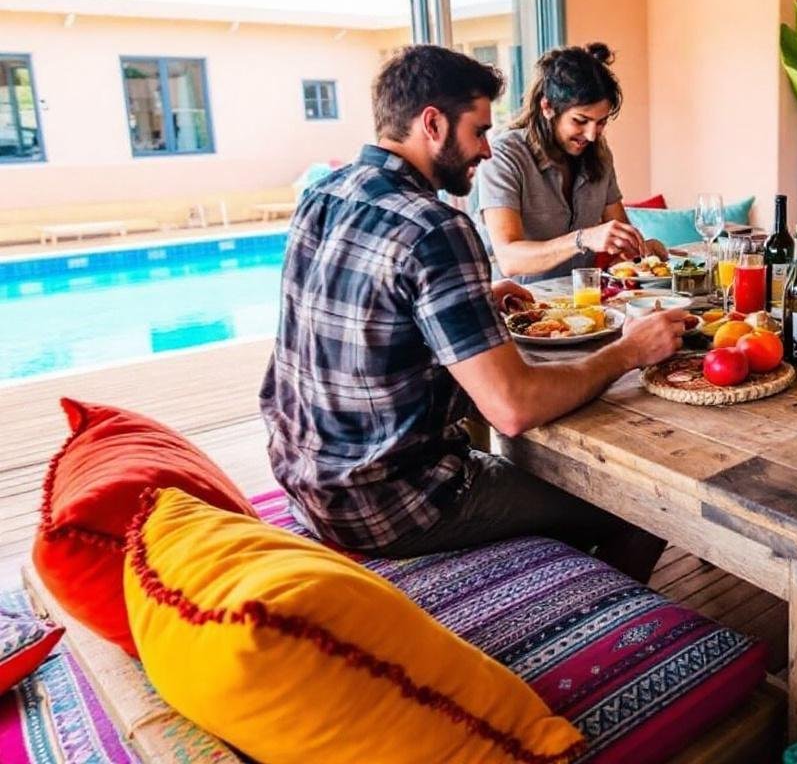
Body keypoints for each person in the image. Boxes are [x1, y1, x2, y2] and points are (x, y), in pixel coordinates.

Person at [260, 45, 682, 577]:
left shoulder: (321, 196)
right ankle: (593, 612)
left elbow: (368, 313)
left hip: (304, 476)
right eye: (478, 131)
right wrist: (627, 352)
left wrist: (477, 299)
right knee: (645, 505)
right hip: (391, 503)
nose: (486, 149)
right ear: (432, 124)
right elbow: (513, 408)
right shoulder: (435, 225)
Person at [479, 43, 667, 283]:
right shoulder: (505, 155)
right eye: (580, 121)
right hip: (517, 307)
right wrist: (583, 239)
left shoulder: (599, 153)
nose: (591, 135)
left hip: (581, 304)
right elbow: (509, 258)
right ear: (547, 107)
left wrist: (641, 252)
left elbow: (619, 239)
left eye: (601, 122)